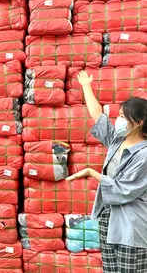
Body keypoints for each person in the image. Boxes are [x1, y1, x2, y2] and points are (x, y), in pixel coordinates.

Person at [66, 70, 147, 273]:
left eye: (122, 117)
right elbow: (97, 116)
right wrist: (86, 86)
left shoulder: (144, 154)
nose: (117, 120)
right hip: (108, 219)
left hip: (131, 225)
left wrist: (92, 174)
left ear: (138, 123)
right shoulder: (116, 140)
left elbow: (124, 189)